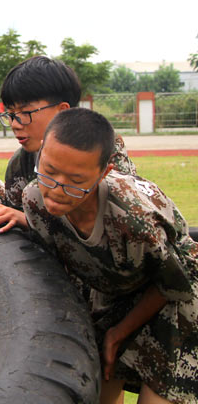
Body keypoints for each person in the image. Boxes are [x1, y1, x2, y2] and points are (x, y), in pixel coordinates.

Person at [23, 108, 198, 404]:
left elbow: (173, 284)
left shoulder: (135, 219)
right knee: (95, 395)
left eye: (75, 180)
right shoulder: (34, 200)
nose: (56, 190)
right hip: (114, 297)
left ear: (104, 173)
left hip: (176, 303)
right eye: (49, 171)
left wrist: (118, 333)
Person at [0, 56, 135, 209]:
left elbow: (115, 213)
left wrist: (27, 222)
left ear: (62, 111)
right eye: (10, 115)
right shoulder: (20, 163)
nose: (15, 124)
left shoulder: (102, 147)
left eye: (25, 113)